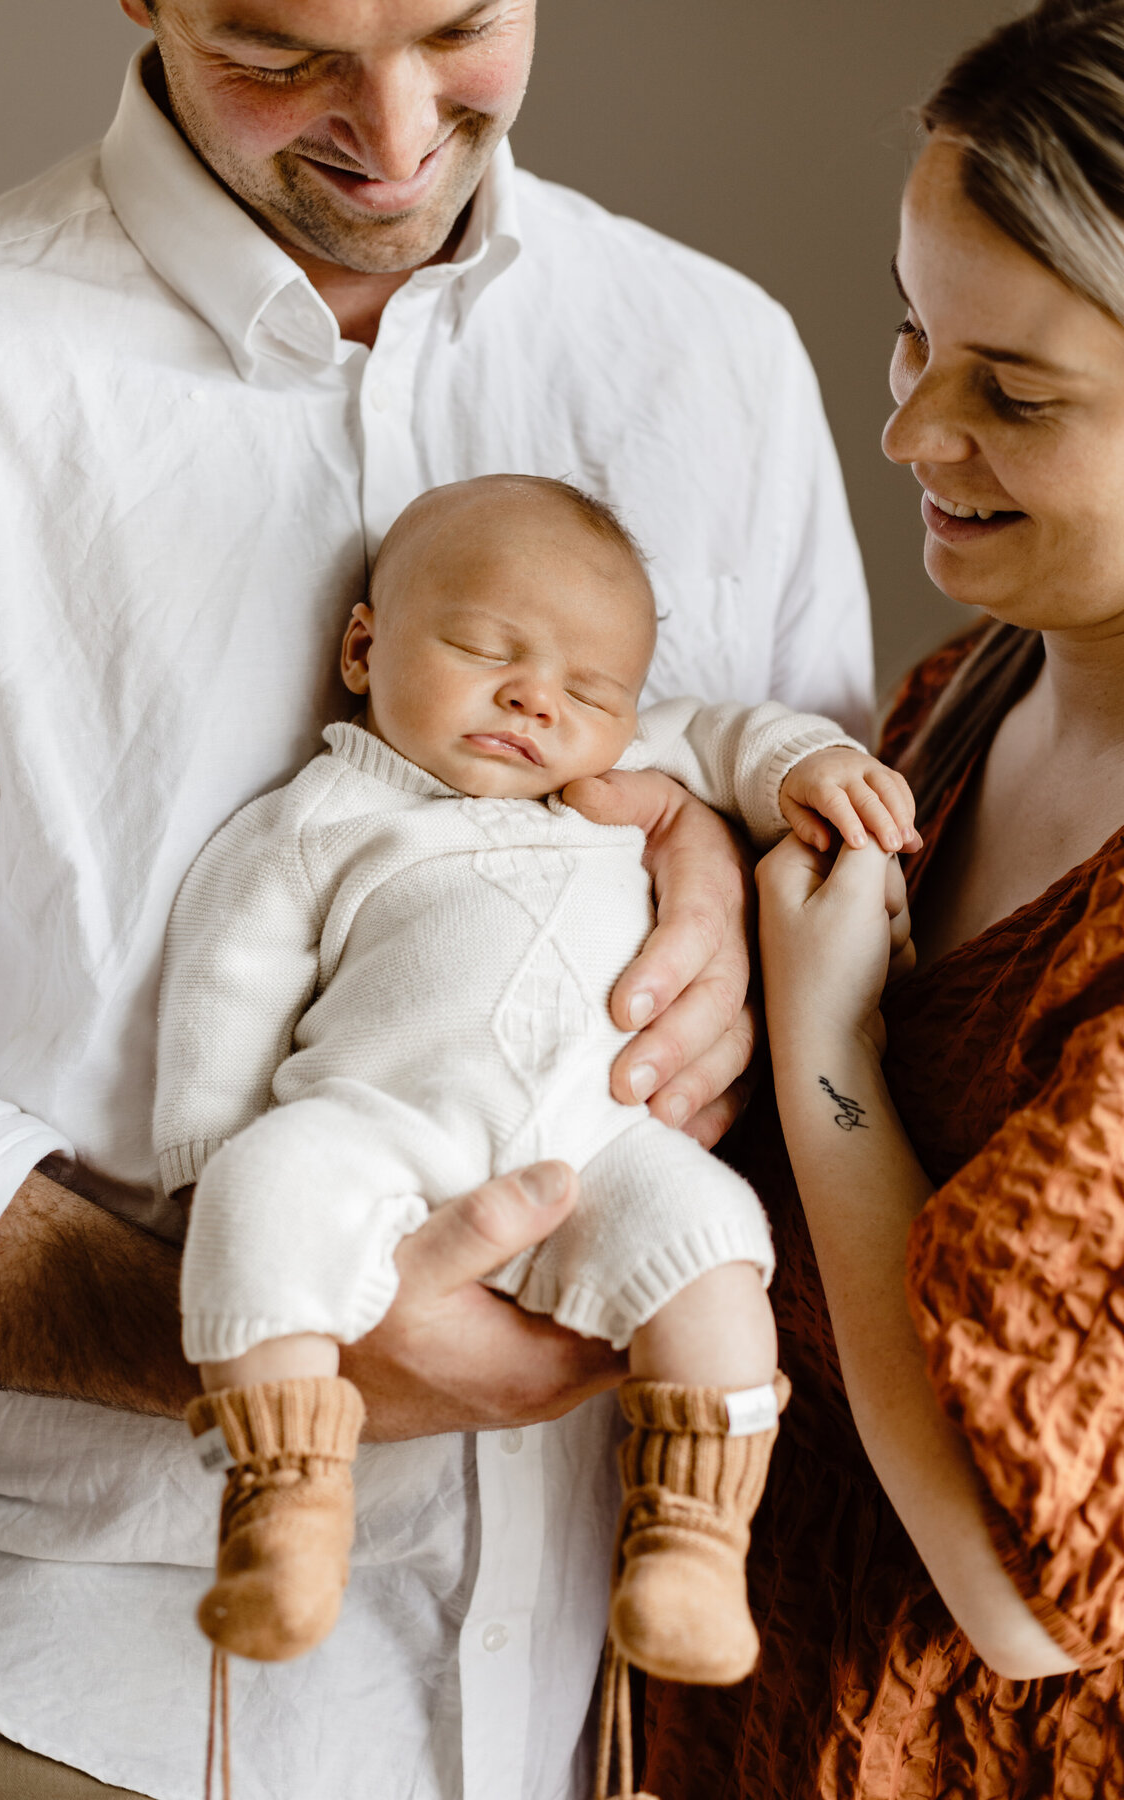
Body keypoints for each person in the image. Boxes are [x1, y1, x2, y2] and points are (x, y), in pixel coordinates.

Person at [0, 2, 870, 1796]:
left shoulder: (714, 359)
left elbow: (823, 893)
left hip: (600, 1711)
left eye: (461, 27)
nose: (394, 125)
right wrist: (235, 1326)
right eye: (281, 47)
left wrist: (721, 881)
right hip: (64, 1679)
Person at [154, 473, 913, 1684]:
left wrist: (808, 768)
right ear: (364, 648)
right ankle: (285, 1507)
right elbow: (224, 985)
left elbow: (727, 730)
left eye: (591, 689)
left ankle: (691, 1545)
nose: (533, 699)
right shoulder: (322, 815)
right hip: (376, 1122)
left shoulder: (609, 782)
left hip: (596, 1149)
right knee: (262, 1196)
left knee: (717, 1245)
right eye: (480, 650)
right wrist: (207, 1161)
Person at [642, 2, 1124, 1794]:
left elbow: (1020, 1593)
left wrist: (829, 1044)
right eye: (913, 331)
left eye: (1017, 393)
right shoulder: (951, 705)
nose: (914, 429)